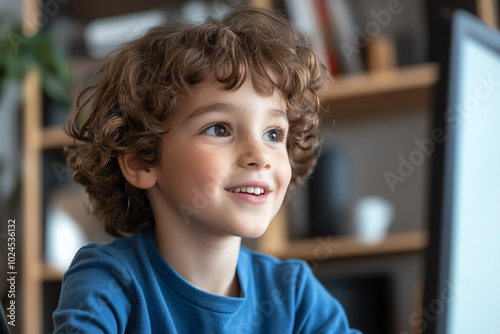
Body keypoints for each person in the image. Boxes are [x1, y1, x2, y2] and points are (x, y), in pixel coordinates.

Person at [53, 6, 361, 334]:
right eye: (219, 129)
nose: (259, 155)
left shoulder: (294, 293)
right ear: (140, 159)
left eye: (273, 134)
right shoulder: (109, 280)